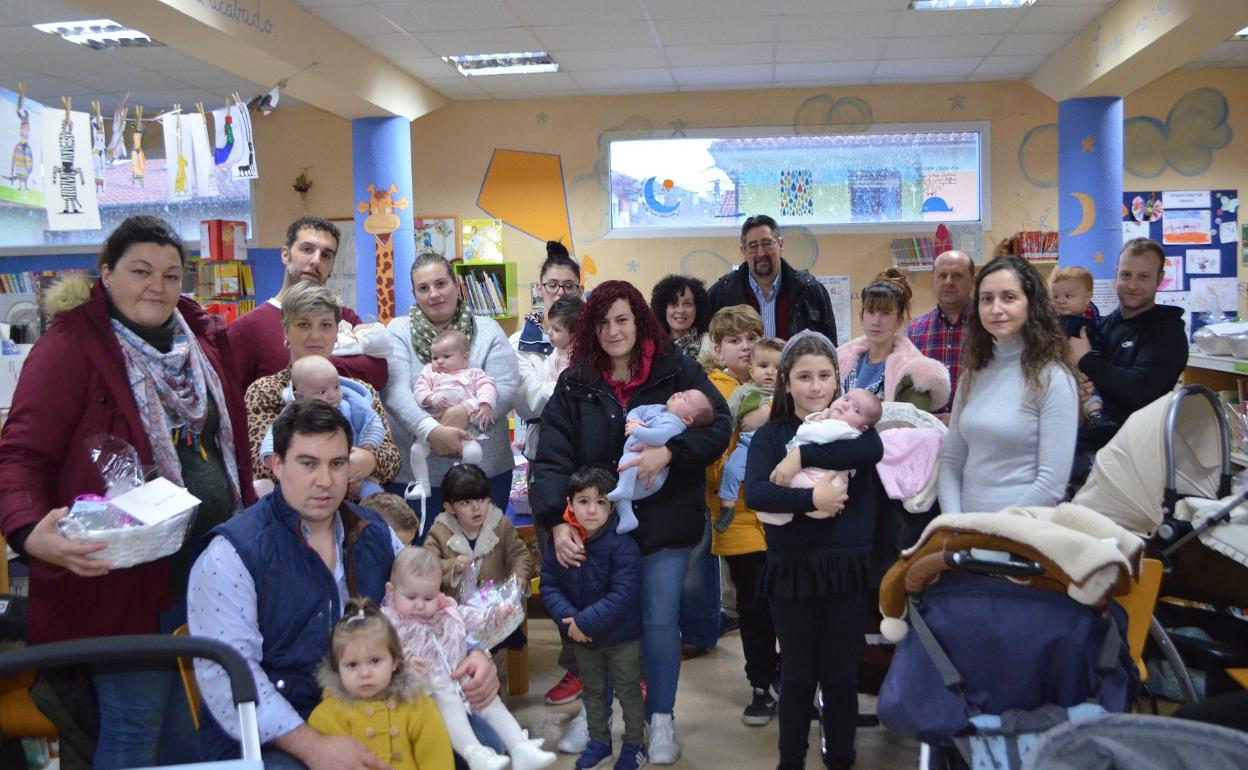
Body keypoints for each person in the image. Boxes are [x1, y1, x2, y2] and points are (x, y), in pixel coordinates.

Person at [0, 215, 254, 770]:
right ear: (106, 273)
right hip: (119, 581)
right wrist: (27, 529)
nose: (157, 287)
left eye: (170, 274)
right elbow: (20, 453)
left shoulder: (202, 339)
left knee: (187, 733)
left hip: (202, 571)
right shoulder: (72, 346)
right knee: (135, 727)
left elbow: (232, 444)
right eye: (140, 271)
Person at [189, 401, 503, 768]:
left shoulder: (373, 530)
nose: (325, 480)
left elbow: (425, 600)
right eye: (308, 463)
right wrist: (313, 745)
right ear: (277, 465)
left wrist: (472, 650)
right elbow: (230, 679)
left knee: (488, 748)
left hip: (378, 700)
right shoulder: (231, 554)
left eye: (337, 464)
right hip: (278, 731)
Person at [530, 280, 731, 764]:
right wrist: (558, 521)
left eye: (622, 319)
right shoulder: (576, 380)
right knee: (600, 623)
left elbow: (719, 426)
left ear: (639, 320)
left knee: (660, 621)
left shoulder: (675, 369)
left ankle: (660, 720)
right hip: (597, 528)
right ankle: (596, 716)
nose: (612, 330)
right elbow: (552, 457)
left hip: (665, 523)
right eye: (601, 322)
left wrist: (670, 450)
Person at [742, 331, 874, 770]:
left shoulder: (855, 429)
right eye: (804, 377)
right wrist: (810, 501)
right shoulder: (771, 435)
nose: (816, 387)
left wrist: (801, 459)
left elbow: (872, 449)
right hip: (792, 569)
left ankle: (841, 758)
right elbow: (758, 494)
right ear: (785, 382)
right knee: (797, 675)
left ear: (837, 380)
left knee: (840, 676)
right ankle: (791, 760)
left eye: (824, 376)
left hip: (845, 568)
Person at [382, 547, 557, 770]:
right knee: (450, 700)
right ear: (391, 590)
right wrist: (403, 662)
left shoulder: (444, 612)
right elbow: (382, 649)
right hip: (426, 689)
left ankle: (520, 747)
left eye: (428, 597)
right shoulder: (389, 622)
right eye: (411, 597)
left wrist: (496, 614)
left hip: (457, 679)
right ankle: (475, 754)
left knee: (489, 700)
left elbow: (472, 616)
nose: (420, 605)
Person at [383, 253, 519, 531]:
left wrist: (464, 412)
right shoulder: (397, 331)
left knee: (482, 560)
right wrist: (431, 430)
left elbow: (506, 387)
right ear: (414, 293)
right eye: (423, 288)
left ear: (457, 284)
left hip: (485, 474)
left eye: (441, 283)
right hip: (415, 479)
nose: (434, 294)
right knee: (420, 564)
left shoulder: (488, 330)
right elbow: (394, 393)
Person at [938, 255, 1079, 515]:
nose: (996, 308)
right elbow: (951, 462)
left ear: (1031, 304)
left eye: (1009, 297)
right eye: (987, 298)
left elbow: (1051, 485)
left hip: (1021, 536)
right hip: (965, 535)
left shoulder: (1053, 378)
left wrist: (994, 532)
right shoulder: (973, 374)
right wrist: (954, 525)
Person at [244, 282, 401, 497]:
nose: (316, 336)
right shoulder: (265, 391)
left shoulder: (359, 390)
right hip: (293, 513)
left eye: (326, 325)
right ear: (286, 331)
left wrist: (370, 460)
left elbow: (392, 458)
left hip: (354, 515)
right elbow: (261, 463)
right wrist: (339, 464)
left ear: (337, 332)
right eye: (304, 325)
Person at [701, 306, 780, 726]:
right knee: (753, 605)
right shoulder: (717, 391)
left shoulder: (766, 386)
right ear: (717, 348)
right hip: (741, 519)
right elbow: (712, 461)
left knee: (779, 603)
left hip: (776, 517)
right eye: (735, 340)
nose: (746, 347)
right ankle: (760, 684)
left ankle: (779, 676)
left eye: (752, 338)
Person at [540, 466, 647, 770]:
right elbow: (548, 583)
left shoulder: (622, 543)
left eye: (601, 502)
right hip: (581, 638)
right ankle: (599, 743)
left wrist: (584, 622)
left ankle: (634, 744)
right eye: (584, 501)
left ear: (613, 506)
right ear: (570, 503)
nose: (592, 509)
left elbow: (623, 594)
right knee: (594, 692)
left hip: (621, 638)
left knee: (628, 691)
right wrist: (571, 620)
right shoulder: (561, 542)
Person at [228, 217, 388, 390]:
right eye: (307, 249)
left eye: (326, 255)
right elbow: (232, 400)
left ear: (332, 265)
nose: (316, 261)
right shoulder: (247, 328)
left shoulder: (344, 317)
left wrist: (307, 361)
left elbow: (378, 374)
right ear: (285, 254)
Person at [1068, 238, 1188, 451]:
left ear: (1159, 278)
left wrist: (1087, 361)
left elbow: (1140, 390)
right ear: (1116, 274)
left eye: (1143, 277)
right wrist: (1078, 386)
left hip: (1135, 454)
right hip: (1091, 442)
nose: (1133, 285)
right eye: (1126, 275)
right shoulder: (1104, 325)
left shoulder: (1168, 333)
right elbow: (1091, 380)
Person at [305, 598, 454, 770]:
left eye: (375, 661)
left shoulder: (415, 704)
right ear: (337, 669)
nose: (365, 673)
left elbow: (436, 755)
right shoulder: (326, 716)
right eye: (352, 665)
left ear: (395, 662)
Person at [258, 355, 387, 498]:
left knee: (373, 493)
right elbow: (273, 436)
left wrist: (367, 448)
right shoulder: (293, 414)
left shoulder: (349, 405)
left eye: (336, 387)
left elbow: (371, 421)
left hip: (349, 467)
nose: (333, 396)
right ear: (300, 397)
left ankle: (379, 516)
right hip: (309, 476)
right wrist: (273, 459)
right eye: (322, 392)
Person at [755, 388, 883, 527]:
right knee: (782, 482)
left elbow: (811, 433)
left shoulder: (845, 429)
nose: (846, 405)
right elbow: (755, 495)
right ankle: (783, 514)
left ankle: (783, 512)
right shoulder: (768, 433)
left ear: (863, 428)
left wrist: (822, 419)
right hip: (820, 487)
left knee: (783, 480)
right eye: (846, 399)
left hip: (822, 483)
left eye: (856, 410)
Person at [837, 267, 951, 413]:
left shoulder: (913, 375)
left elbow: (912, 429)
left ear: (898, 321)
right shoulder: (840, 362)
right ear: (861, 317)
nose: (876, 321)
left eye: (885, 313)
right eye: (871, 312)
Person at [707, 214, 837, 341]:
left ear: (780, 244)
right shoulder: (722, 293)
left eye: (767, 243)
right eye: (753, 246)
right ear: (744, 251)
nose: (761, 253)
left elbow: (830, 349)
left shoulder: (810, 290)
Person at [608, 389, 716, 533]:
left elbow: (658, 437)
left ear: (687, 419)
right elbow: (638, 410)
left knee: (626, 465)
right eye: (683, 392)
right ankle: (628, 518)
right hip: (634, 468)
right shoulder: (659, 408)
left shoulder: (675, 424)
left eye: (685, 399)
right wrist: (633, 419)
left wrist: (636, 430)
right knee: (621, 490)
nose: (679, 394)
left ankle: (625, 490)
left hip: (650, 478)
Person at [408, 329, 499, 498]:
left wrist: (486, 404)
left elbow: (488, 386)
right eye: (435, 358)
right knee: (416, 451)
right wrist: (431, 397)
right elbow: (419, 391)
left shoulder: (474, 374)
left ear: (464, 358)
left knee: (474, 453)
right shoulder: (429, 372)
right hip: (432, 429)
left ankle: (461, 483)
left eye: (446, 357)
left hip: (463, 432)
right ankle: (422, 484)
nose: (439, 362)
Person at [422, 464, 532, 602]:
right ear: (449, 507)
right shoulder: (439, 532)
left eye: (481, 500)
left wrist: (519, 576)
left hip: (498, 610)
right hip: (456, 613)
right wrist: (453, 565)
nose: (476, 508)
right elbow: (426, 566)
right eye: (466, 503)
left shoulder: (500, 524)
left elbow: (519, 555)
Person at [716, 336, 782, 533]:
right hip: (748, 445)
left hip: (781, 448)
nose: (770, 372)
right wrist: (720, 445)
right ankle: (727, 507)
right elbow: (729, 418)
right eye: (763, 366)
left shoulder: (788, 393)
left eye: (777, 367)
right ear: (752, 370)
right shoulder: (744, 392)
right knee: (731, 470)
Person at [907, 250, 975, 415]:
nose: (948, 282)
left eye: (957, 276)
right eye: (942, 275)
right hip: (927, 431)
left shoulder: (989, 328)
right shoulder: (913, 331)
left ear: (973, 281)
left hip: (976, 433)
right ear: (933, 280)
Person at [1050, 266, 1107, 425]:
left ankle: (1095, 413)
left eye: (1068, 296)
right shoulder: (1055, 321)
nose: (1060, 301)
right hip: (1062, 372)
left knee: (1091, 393)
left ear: (1087, 298)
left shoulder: (1093, 321)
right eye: (1056, 297)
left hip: (1085, 373)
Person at [651, 274, 712, 359]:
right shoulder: (652, 345)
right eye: (673, 303)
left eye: (688, 304)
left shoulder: (711, 344)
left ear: (698, 308)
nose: (681, 310)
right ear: (663, 309)